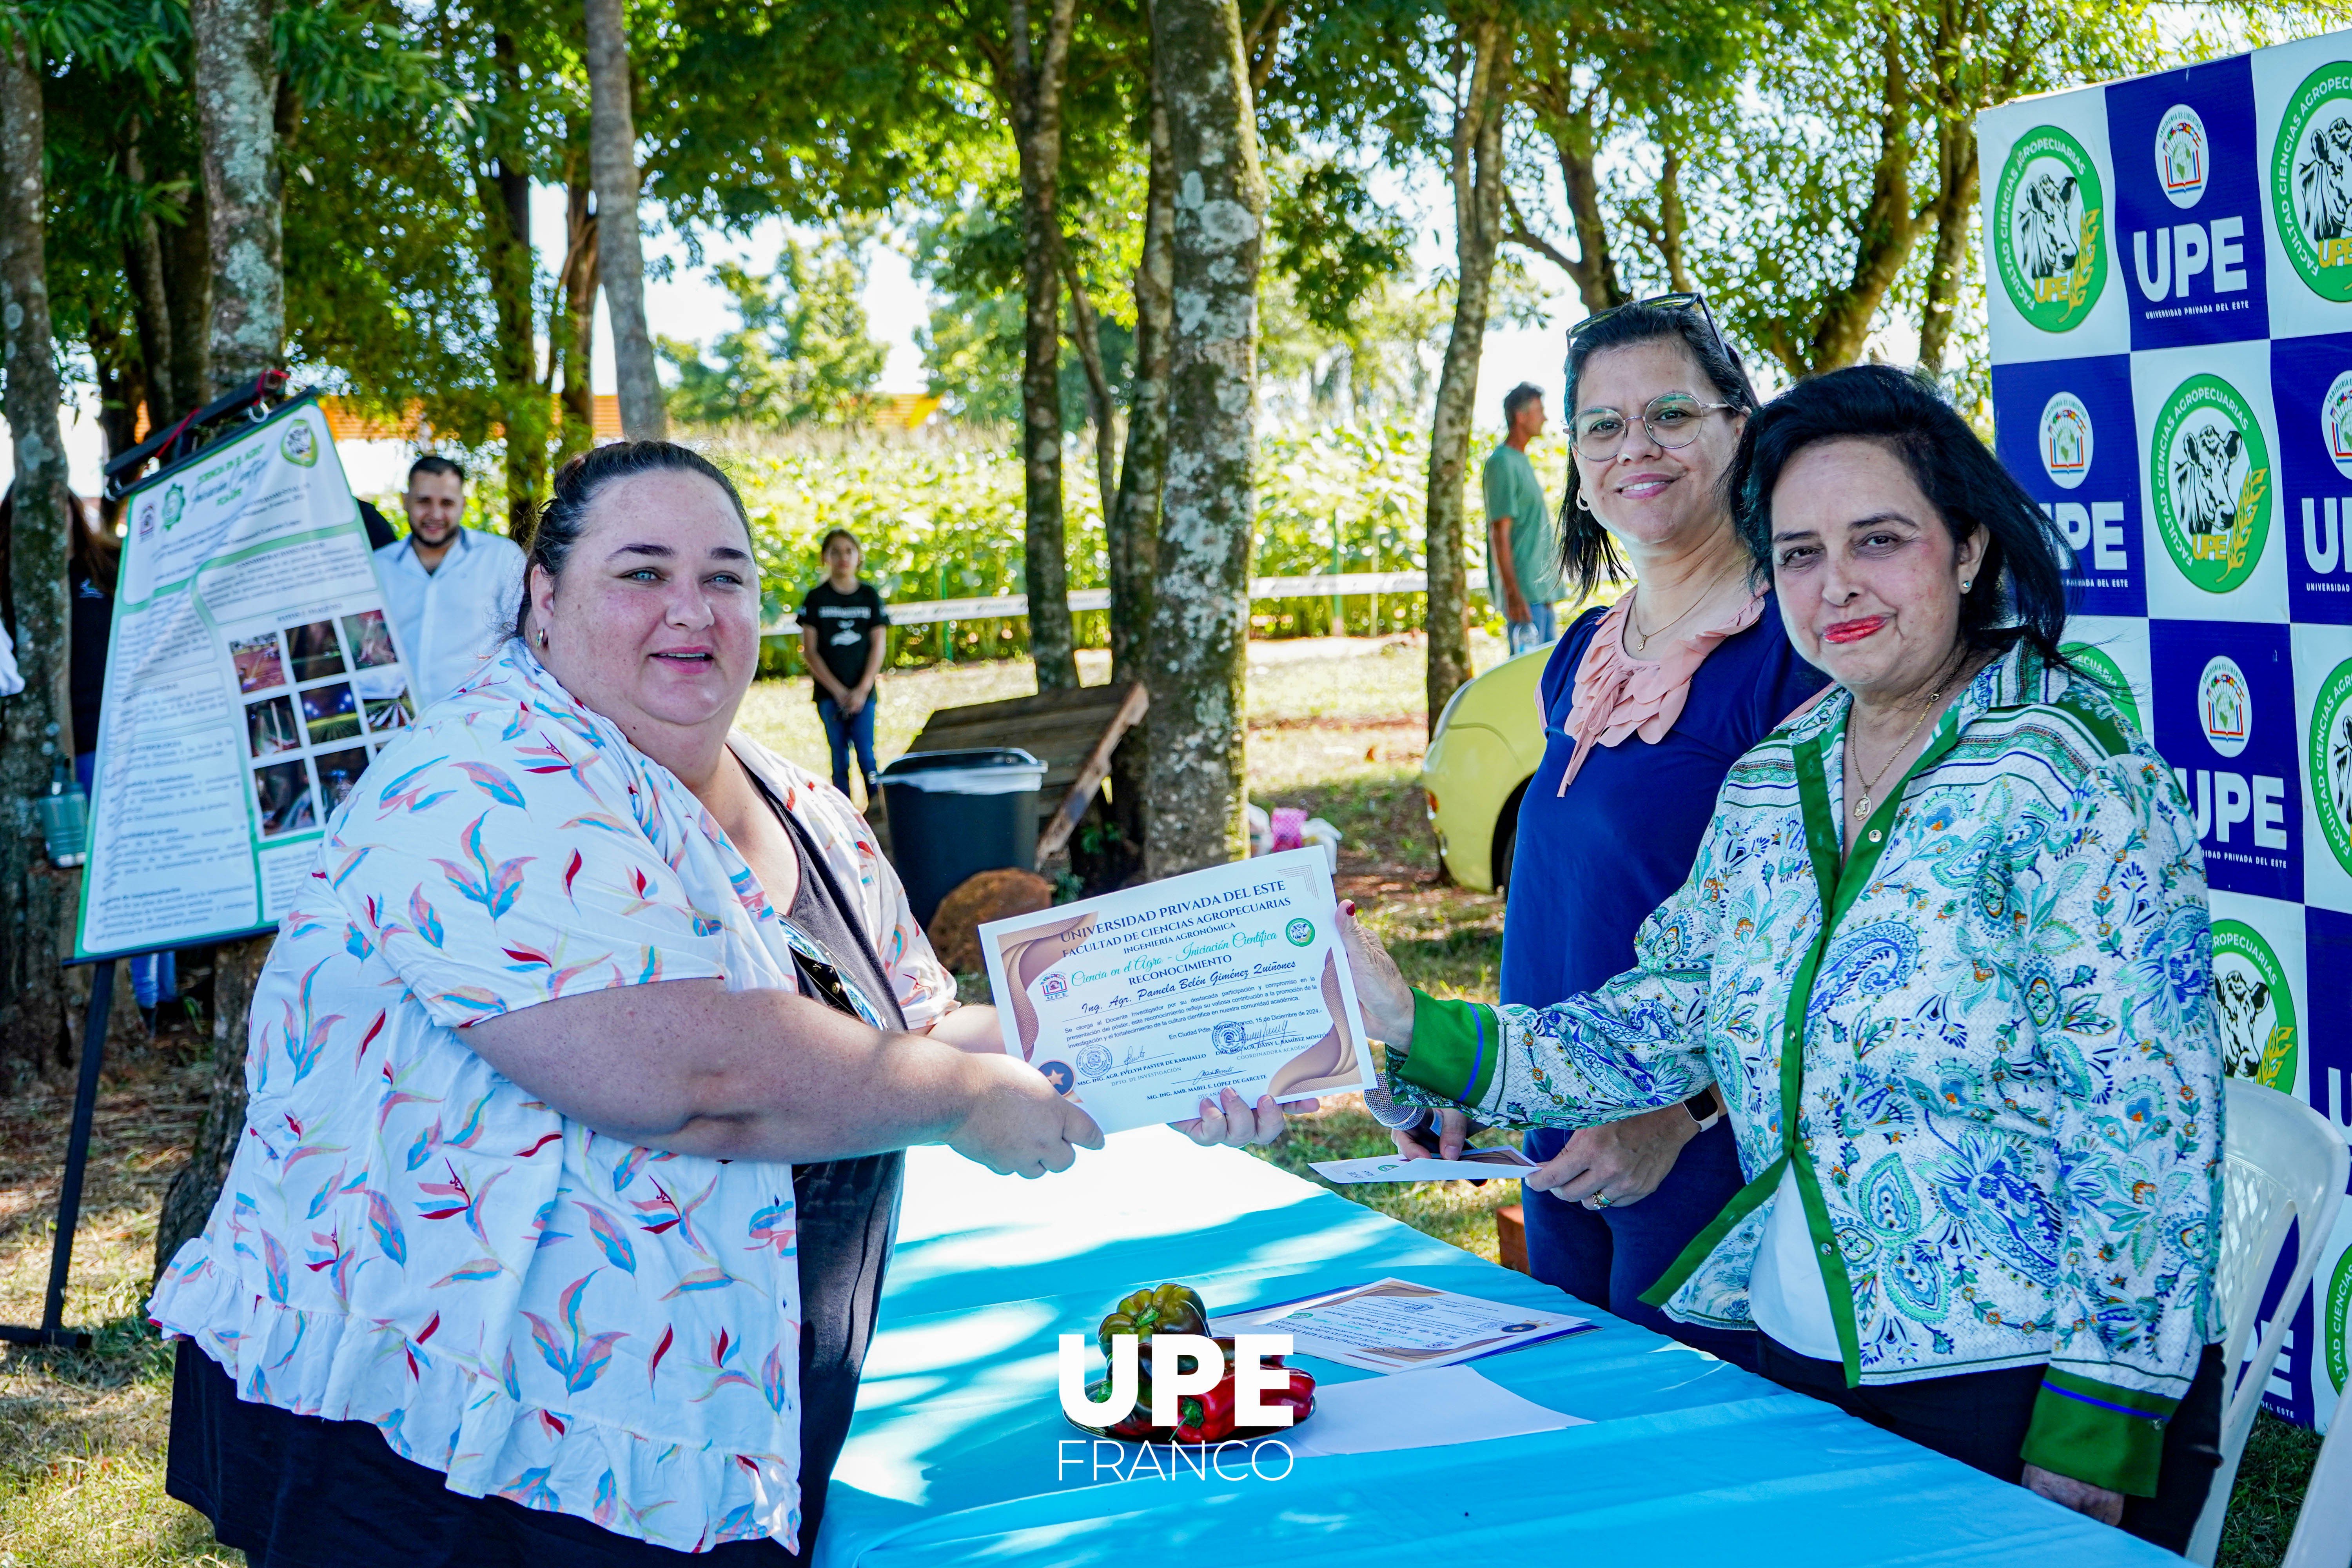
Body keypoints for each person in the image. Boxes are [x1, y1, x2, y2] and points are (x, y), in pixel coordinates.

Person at [152, 441, 1297, 1568]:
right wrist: (960, 1102)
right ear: (542, 599)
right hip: (456, 1458)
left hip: (706, 1427)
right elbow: (695, 1078)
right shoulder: (477, 779)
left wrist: (1175, 1042)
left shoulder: (804, 805)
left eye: (725, 577)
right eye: (640, 572)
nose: (689, 609)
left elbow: (917, 1028)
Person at [1345, 365, 2225, 1549]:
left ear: (1966, 548)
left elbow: (2147, 1126)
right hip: (1792, 1349)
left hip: (2011, 1385)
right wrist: (1410, 1021)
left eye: (1878, 538)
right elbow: (1649, 1022)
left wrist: (2093, 1424)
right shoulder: (1778, 772)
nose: (1836, 583)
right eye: (1799, 552)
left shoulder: (2071, 776)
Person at [1403, 296, 1824, 1374]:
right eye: (1602, 424)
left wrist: (1681, 1117)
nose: (1634, 446)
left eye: (1671, 414)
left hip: (1702, 1164)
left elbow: (1837, 953)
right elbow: (1568, 904)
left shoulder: (1796, 652)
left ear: (1743, 429)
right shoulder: (1578, 655)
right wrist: (1471, 1081)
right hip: (1563, 1148)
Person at [69, 497, 191, 1032]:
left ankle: (156, 998)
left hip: (132, 739)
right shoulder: (14, 582)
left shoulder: (110, 565)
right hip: (73, 746)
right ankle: (137, 1001)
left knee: (144, 863)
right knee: (97, 873)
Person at [373, 454, 526, 704]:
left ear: (463, 504)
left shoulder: (500, 557)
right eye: (424, 501)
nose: (435, 514)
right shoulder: (379, 566)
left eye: (447, 503)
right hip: (399, 722)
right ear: (404, 501)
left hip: (479, 717)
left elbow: (524, 641)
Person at [799, 528, 886, 803]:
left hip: (864, 695)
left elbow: (879, 646)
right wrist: (837, 691)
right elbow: (810, 651)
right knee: (839, 758)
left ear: (858, 556)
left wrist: (862, 690)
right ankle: (844, 822)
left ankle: (879, 822)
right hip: (829, 695)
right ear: (825, 557)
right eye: (835, 551)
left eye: (849, 551)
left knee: (867, 755)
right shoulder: (816, 599)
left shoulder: (870, 596)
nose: (843, 557)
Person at [1485, 382, 1563, 654]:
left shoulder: (1521, 460)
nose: (1545, 418)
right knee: (1527, 680)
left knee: (1546, 677)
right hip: (1525, 595)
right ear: (1522, 416)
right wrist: (1513, 594)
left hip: (1540, 593)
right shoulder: (1502, 463)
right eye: (1539, 410)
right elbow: (1499, 533)